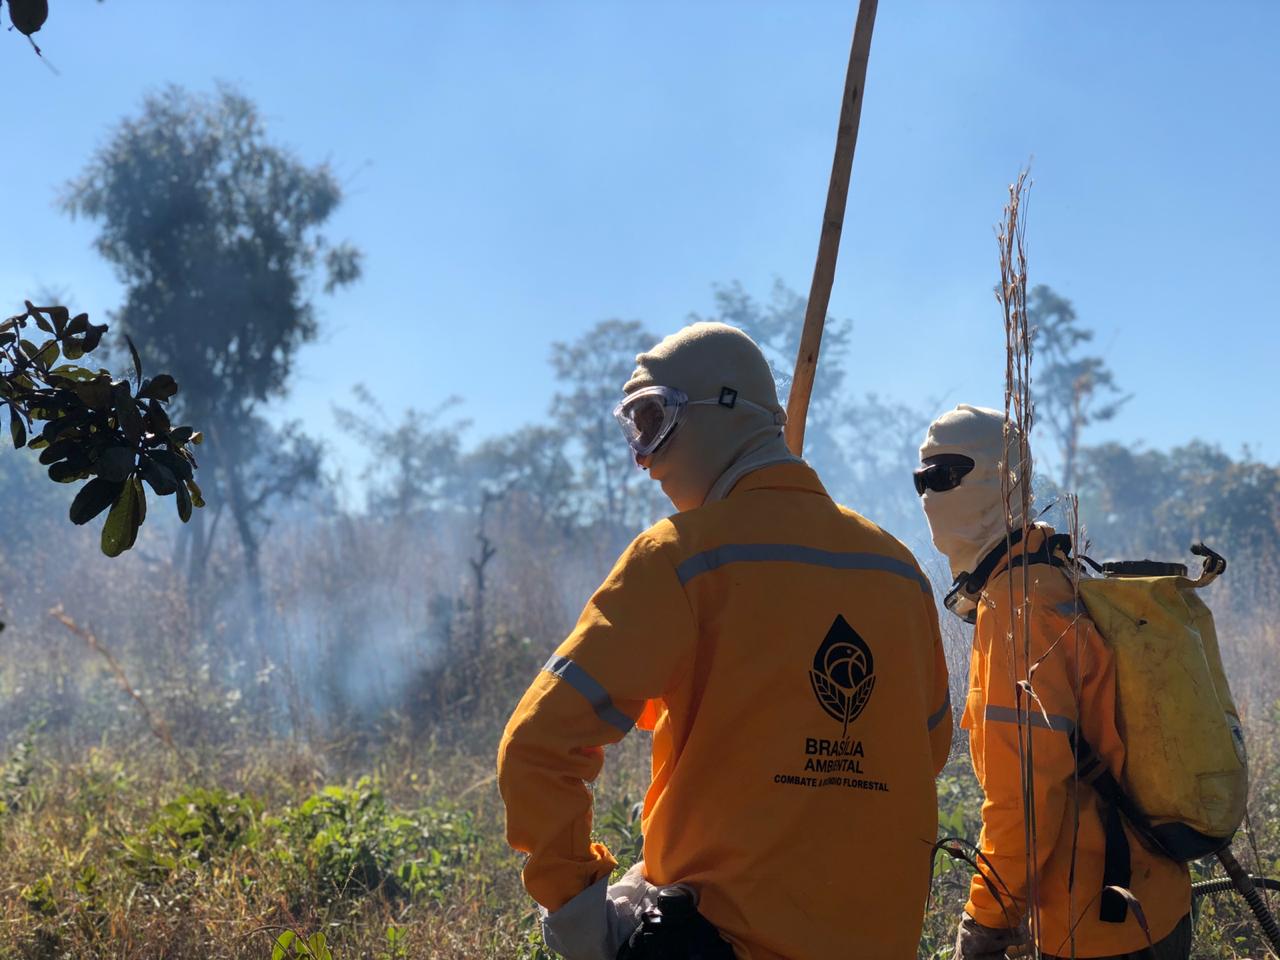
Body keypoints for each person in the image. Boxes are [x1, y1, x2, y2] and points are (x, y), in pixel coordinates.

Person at [497, 322, 953, 960]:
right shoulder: (900, 573)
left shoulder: (679, 559)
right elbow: (921, 753)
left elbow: (537, 744)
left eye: (652, 421)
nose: (643, 458)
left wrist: (575, 905)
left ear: (722, 411)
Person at [915, 404, 1192, 960]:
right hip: (1150, 902)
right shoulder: (1051, 574)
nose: (929, 495)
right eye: (922, 479)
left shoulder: (1019, 609)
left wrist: (987, 918)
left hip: (1099, 923)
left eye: (946, 475)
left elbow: (1027, 798)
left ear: (1002, 479)